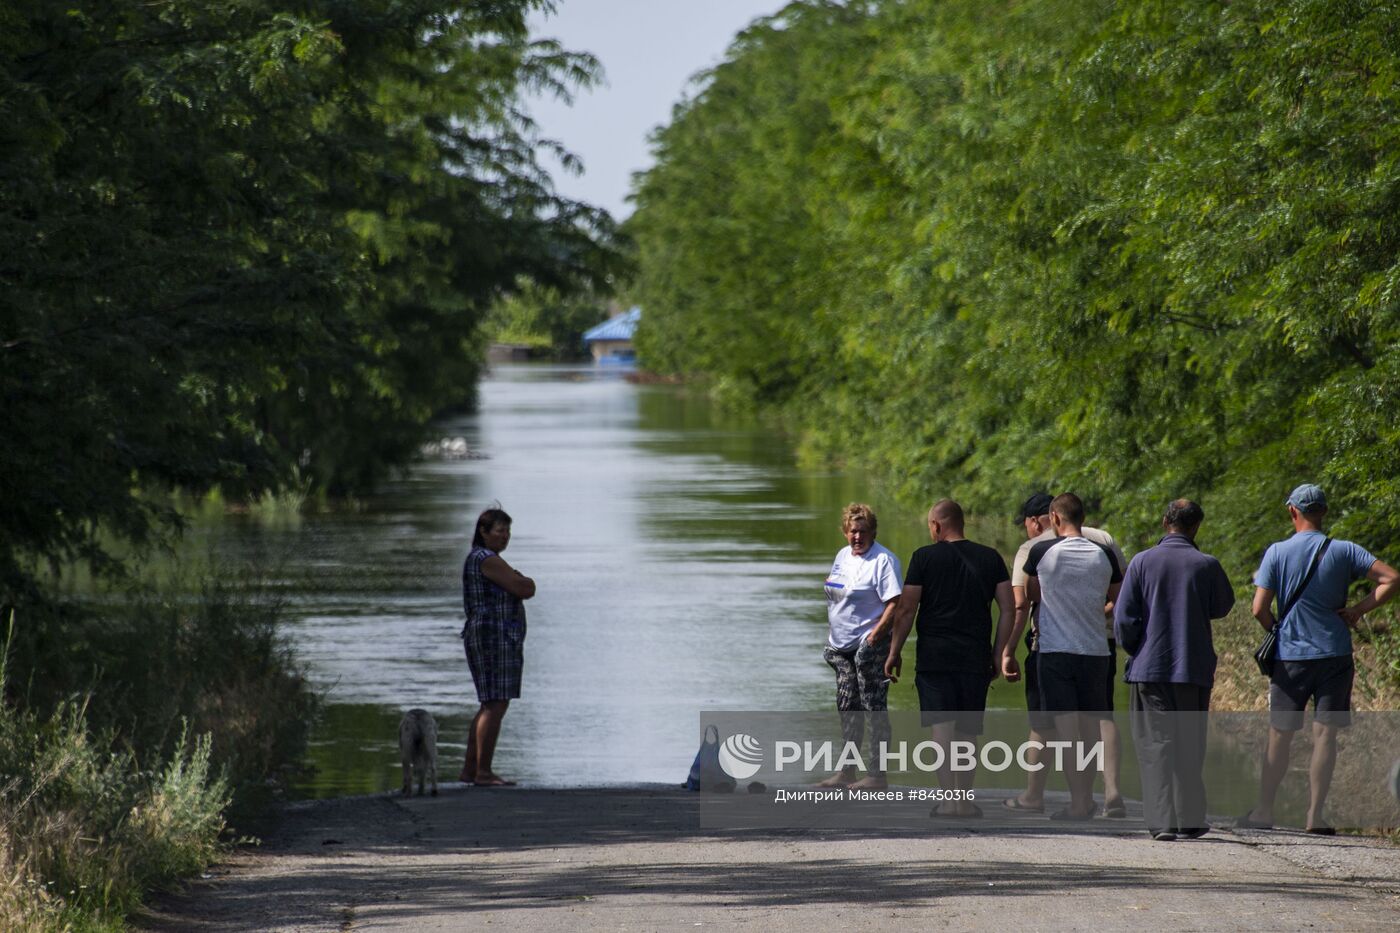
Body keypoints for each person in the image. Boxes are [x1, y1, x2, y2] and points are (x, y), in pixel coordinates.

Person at [1239, 484, 1398, 833]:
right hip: (1335, 654)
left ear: (1292, 512)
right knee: (1326, 735)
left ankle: (1264, 811)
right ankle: (1314, 816)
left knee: (1280, 734)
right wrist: (1358, 610)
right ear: (1324, 512)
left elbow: (1258, 609)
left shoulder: (1277, 552)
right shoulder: (1344, 550)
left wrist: (1276, 631)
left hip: (1291, 657)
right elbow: (1391, 578)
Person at [1114, 499, 1235, 841]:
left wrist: (1138, 649)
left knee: (1155, 745)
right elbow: (1223, 606)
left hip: (1149, 669)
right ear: (1196, 526)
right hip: (1192, 667)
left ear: (1165, 520)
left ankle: (1162, 822)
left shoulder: (1141, 562)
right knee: (1190, 743)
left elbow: (1124, 620)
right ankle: (1190, 819)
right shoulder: (1206, 564)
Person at [885, 499, 1014, 817]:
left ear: (937, 526)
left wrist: (894, 651)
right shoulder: (991, 558)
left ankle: (948, 801)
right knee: (968, 729)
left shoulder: (923, 557)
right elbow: (1009, 608)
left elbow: (906, 609)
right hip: (975, 657)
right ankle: (965, 799)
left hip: (935, 657)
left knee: (942, 728)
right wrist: (1000, 653)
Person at [1002, 492, 1128, 817]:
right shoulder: (1104, 552)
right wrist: (1094, 611)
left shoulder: (1041, 550)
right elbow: (1119, 596)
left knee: (1067, 730)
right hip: (1097, 650)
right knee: (1096, 723)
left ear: (1054, 519)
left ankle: (1080, 802)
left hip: (1055, 651)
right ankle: (1103, 794)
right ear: (1083, 518)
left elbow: (1029, 595)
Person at [818, 503, 902, 789]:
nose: (857, 537)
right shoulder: (843, 556)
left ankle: (877, 775)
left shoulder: (884, 561)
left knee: (873, 708)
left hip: (868, 648)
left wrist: (874, 639)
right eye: (853, 531)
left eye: (863, 531)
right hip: (840, 648)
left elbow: (894, 604)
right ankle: (847, 771)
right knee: (846, 707)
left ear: (873, 532)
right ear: (845, 532)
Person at [460, 506, 536, 786]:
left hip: (491, 636)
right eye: (499, 531)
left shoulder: (482, 559)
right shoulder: (486, 559)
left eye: (508, 532)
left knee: (489, 703)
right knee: (495, 702)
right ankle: (483, 772)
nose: (505, 536)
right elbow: (524, 589)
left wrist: (519, 579)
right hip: (494, 637)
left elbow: (519, 585)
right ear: (483, 531)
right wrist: (522, 579)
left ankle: (471, 770)